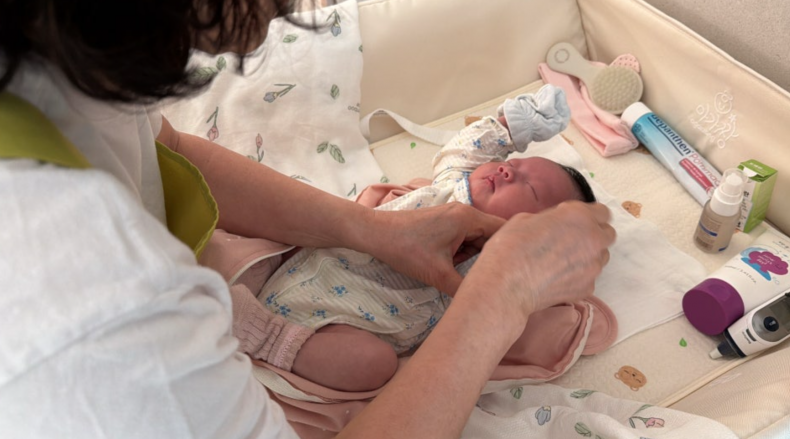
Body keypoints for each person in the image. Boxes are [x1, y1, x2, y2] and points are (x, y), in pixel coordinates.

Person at [0, 1, 615, 439]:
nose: (295, 11)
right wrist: (499, 297)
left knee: (368, 363)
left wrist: (368, 227)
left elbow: (171, 151)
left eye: (531, 187)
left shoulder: (58, 65)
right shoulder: (89, 300)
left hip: (356, 312)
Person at [249, 85, 598, 391]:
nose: (507, 170)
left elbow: (530, 294)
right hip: (318, 267)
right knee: (266, 235)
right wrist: (510, 127)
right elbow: (463, 149)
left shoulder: (502, 263)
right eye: (517, 165)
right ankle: (252, 322)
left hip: (343, 327)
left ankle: (262, 332)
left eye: (529, 188)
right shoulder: (452, 188)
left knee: (375, 367)